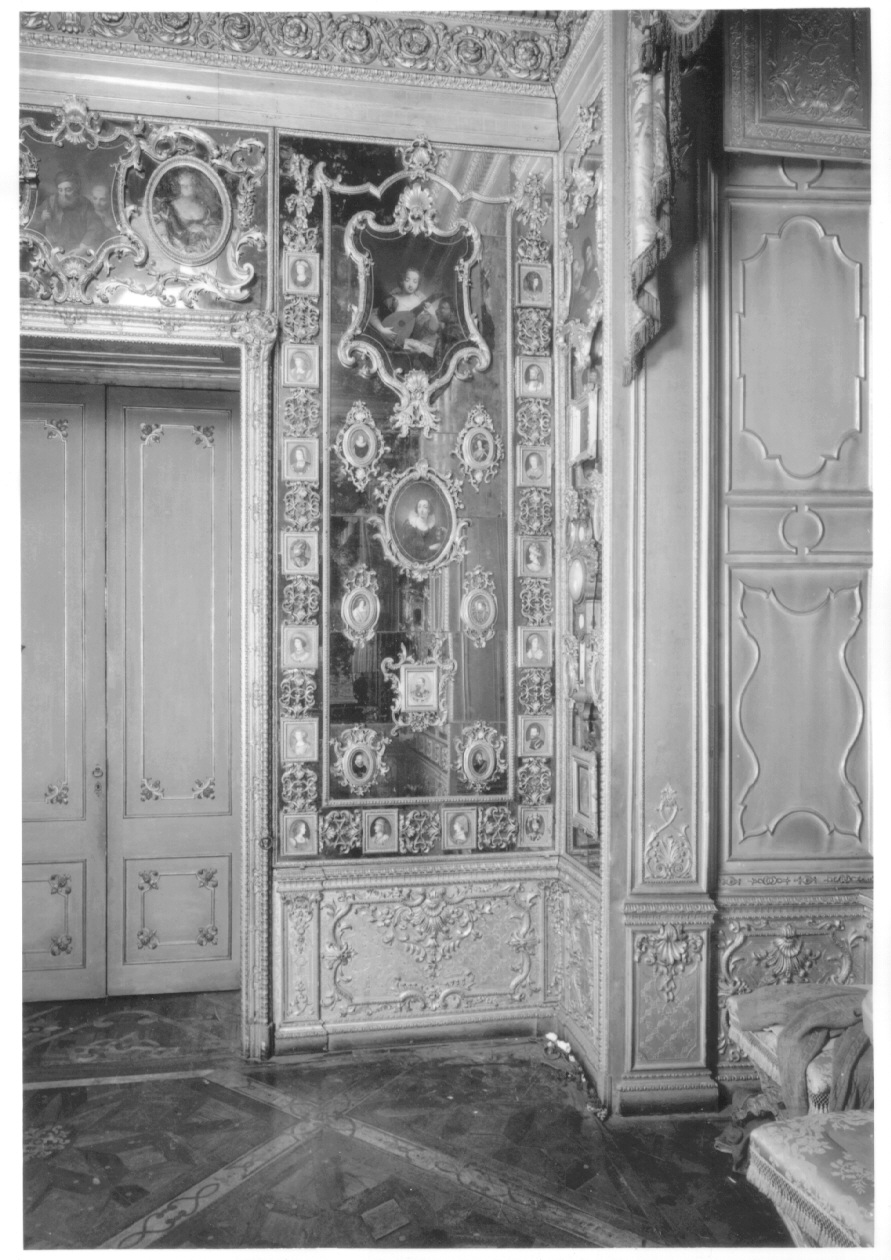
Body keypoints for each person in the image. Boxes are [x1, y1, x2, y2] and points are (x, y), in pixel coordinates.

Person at [368, 267, 440, 369]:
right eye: (407, 280)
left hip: (410, 348)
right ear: (401, 281)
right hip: (389, 343)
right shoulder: (392, 299)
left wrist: (433, 315)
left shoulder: (421, 304)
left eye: (415, 281)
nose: (411, 285)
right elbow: (372, 314)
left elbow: (432, 329)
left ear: (418, 284)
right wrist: (382, 329)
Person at [152, 166, 222, 256]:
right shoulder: (169, 208)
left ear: (195, 185)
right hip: (177, 253)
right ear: (179, 187)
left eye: (191, 185)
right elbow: (166, 235)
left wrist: (203, 229)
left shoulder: (204, 207)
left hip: (203, 253)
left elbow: (215, 230)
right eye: (184, 186)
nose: (188, 188)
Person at [36, 169, 107, 253]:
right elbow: (32, 221)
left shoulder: (84, 203)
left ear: (75, 189)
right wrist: (41, 218)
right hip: (54, 249)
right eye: (60, 190)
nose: (64, 194)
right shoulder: (50, 202)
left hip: (78, 248)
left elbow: (95, 226)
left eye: (68, 190)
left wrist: (83, 247)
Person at [398, 496, 445, 561]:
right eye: (419, 507)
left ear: (429, 510)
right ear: (417, 509)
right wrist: (430, 548)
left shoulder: (433, 529)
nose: (421, 510)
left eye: (425, 507)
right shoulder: (410, 526)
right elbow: (409, 550)